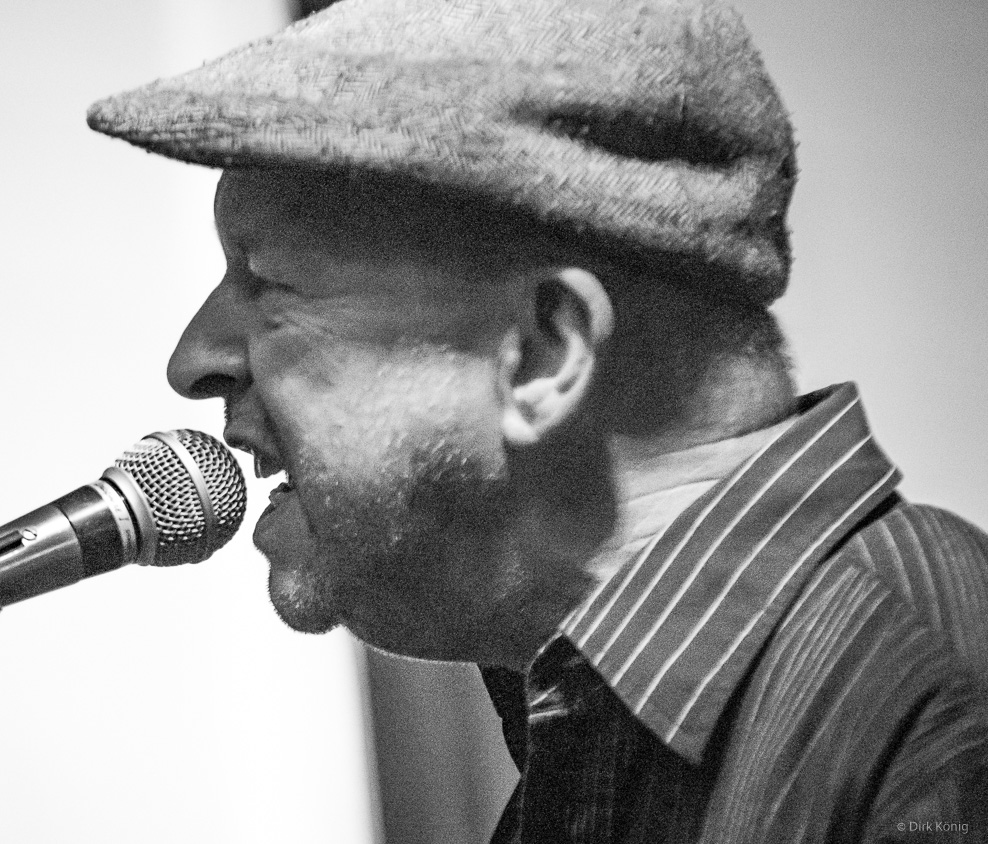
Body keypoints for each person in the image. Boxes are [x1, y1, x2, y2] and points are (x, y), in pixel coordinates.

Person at [87, 0, 988, 841]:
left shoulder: (919, 701)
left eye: (270, 282)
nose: (193, 360)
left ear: (543, 353)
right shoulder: (605, 711)